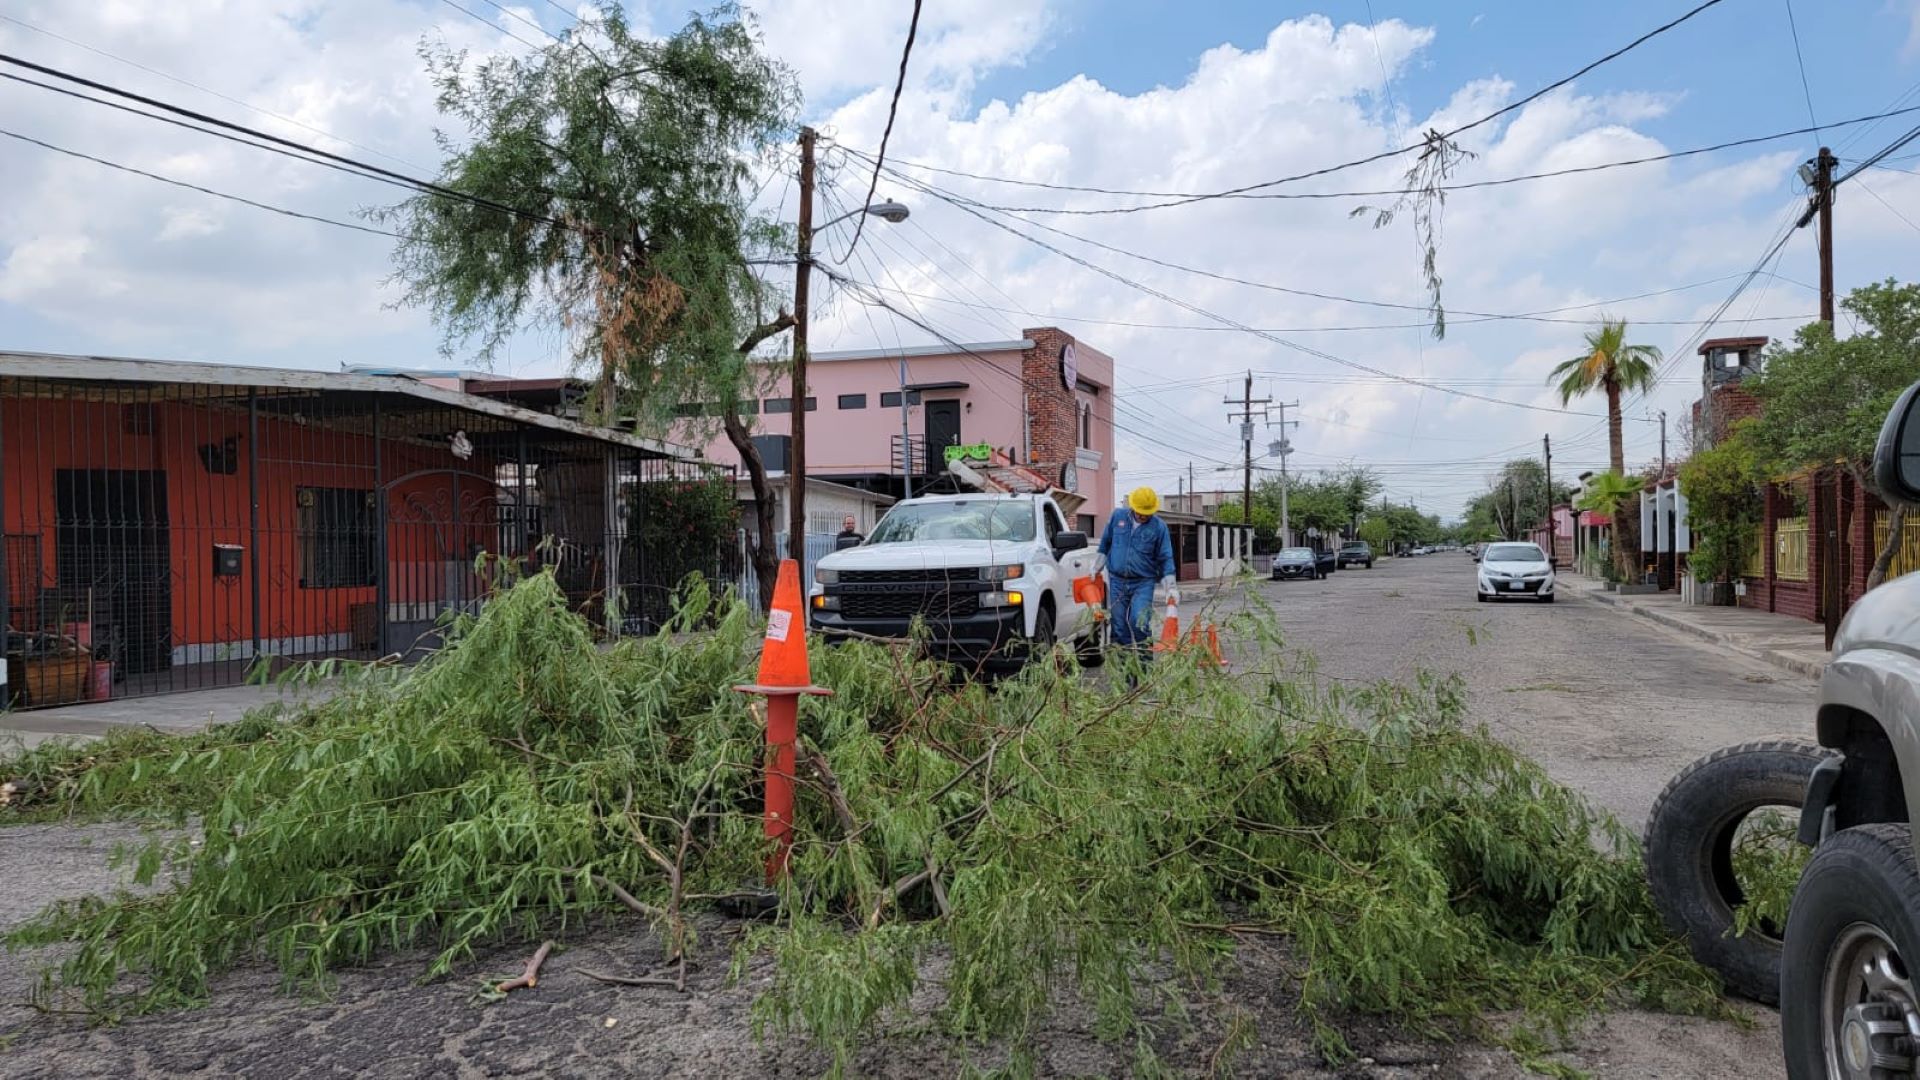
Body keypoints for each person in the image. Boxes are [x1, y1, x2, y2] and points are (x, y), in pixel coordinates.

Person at [1098, 487, 1176, 657]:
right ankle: (1125, 674)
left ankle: (1144, 669)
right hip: (1117, 580)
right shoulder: (1117, 517)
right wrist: (1096, 566)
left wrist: (1170, 587)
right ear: (1133, 507)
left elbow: (1165, 557)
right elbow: (1105, 543)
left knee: (1139, 623)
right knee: (1118, 626)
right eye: (1140, 512)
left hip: (1143, 582)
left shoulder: (1158, 527)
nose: (1143, 516)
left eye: (1147, 513)